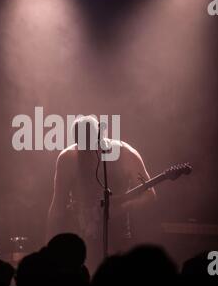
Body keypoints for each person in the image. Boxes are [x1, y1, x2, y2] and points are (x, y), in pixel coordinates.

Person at [46, 115, 156, 271]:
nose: (87, 151)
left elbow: (150, 194)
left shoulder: (125, 153)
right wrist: (48, 248)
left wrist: (123, 208)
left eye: (92, 144)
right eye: (82, 145)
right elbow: (57, 208)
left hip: (119, 240)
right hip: (80, 243)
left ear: (101, 136)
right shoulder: (67, 159)